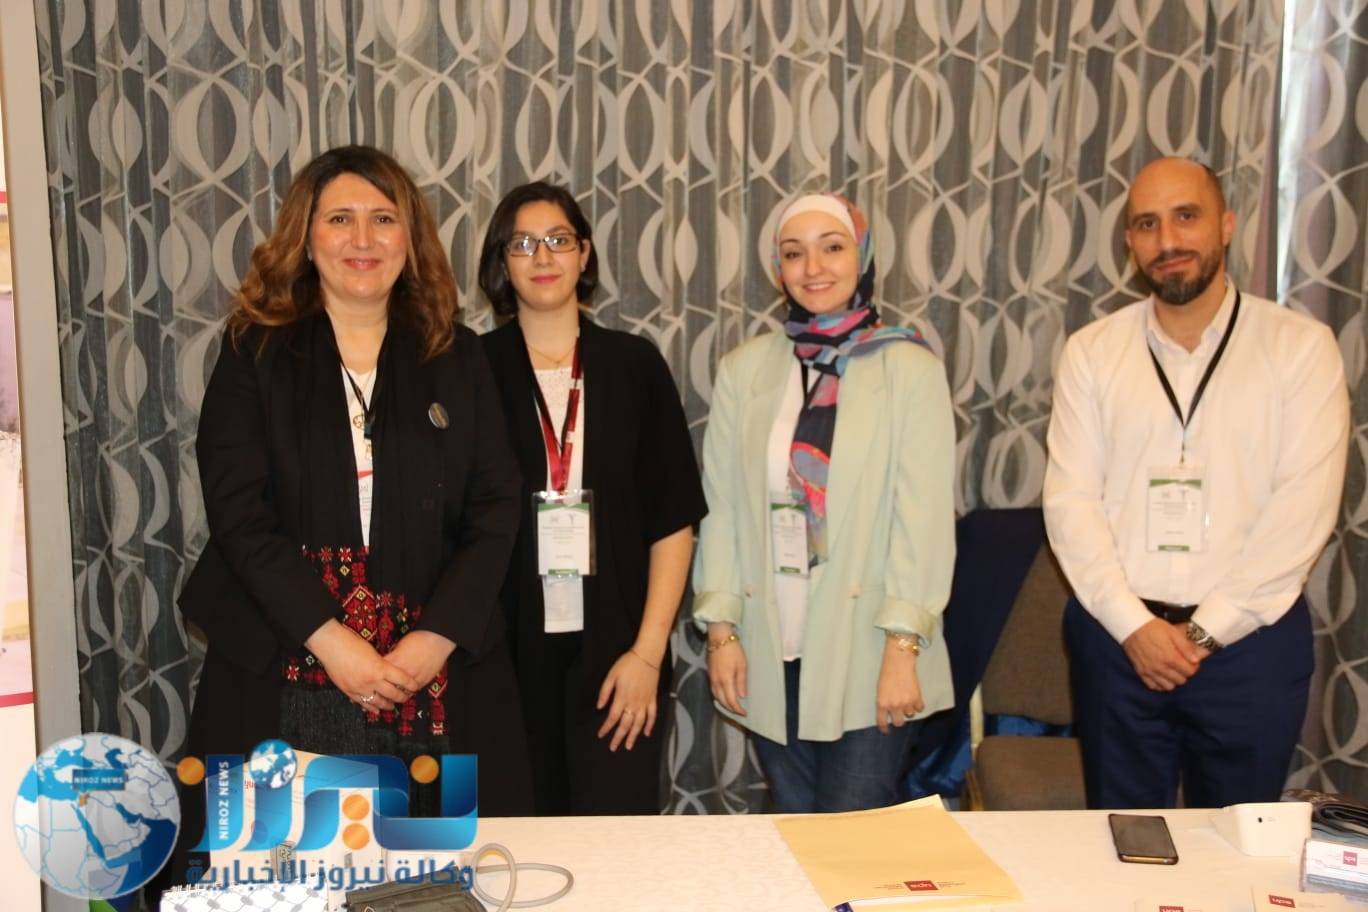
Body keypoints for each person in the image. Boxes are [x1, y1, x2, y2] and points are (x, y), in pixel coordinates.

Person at [176, 145, 533, 864]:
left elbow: (496, 509)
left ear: (411, 237)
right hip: (285, 665)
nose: (363, 239)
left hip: (433, 676)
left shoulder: (457, 356)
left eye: (383, 218)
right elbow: (239, 514)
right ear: (306, 238)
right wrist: (332, 641)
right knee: (284, 881)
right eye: (340, 219)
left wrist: (434, 640)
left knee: (432, 882)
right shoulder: (254, 350)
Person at [1043, 157, 1350, 809]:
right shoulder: (1092, 352)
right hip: (1117, 642)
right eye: (1146, 224)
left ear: (1227, 225)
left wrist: (1206, 631)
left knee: (1237, 846)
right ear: (1129, 243)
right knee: (1123, 840)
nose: (1168, 240)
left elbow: (1302, 510)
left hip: (1250, 649)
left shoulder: (1300, 347)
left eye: (1187, 216)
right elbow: (1071, 502)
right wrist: (1134, 627)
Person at [692, 192, 956, 813]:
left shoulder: (908, 369)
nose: (813, 267)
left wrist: (903, 649)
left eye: (831, 247)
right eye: (794, 253)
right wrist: (722, 632)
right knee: (794, 828)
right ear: (777, 269)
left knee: (853, 837)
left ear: (861, 256)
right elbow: (722, 510)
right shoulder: (744, 370)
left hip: (869, 649)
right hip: (769, 644)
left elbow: (921, 522)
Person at [478, 182, 706, 815]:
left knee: (616, 845)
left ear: (584, 254)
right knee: (512, 841)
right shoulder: (470, 367)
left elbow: (673, 522)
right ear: (501, 263)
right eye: (522, 243)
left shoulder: (635, 365)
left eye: (558, 240)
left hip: (619, 656)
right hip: (502, 661)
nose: (542, 256)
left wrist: (648, 655)